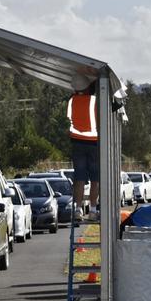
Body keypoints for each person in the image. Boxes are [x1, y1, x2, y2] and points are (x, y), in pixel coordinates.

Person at [67, 74, 99, 221]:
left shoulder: (72, 101)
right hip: (93, 141)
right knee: (95, 179)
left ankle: (78, 210)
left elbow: (69, 120)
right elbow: (99, 120)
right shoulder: (94, 100)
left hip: (77, 141)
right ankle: (92, 210)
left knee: (79, 178)